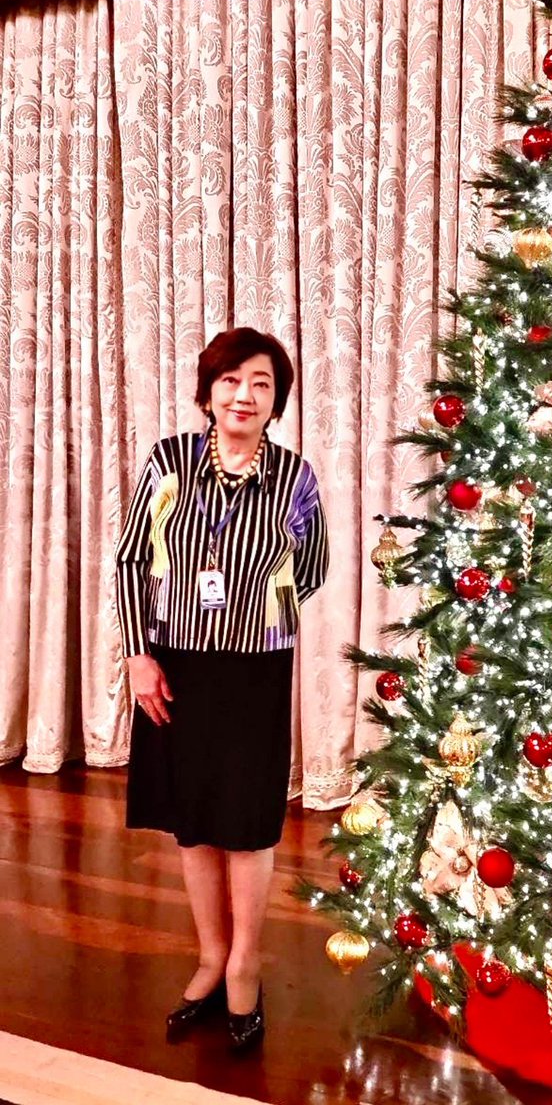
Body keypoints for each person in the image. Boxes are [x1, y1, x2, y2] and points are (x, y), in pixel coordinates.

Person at [115, 327, 328, 1054]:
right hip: (174, 665)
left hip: (254, 669)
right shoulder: (169, 461)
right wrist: (139, 655)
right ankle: (209, 957)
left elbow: (313, 565)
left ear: (276, 401)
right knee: (194, 817)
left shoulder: (295, 478)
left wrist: (252, 610)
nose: (244, 395)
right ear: (209, 392)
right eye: (231, 380)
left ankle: (245, 964)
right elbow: (129, 561)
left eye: (261, 384)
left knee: (247, 820)